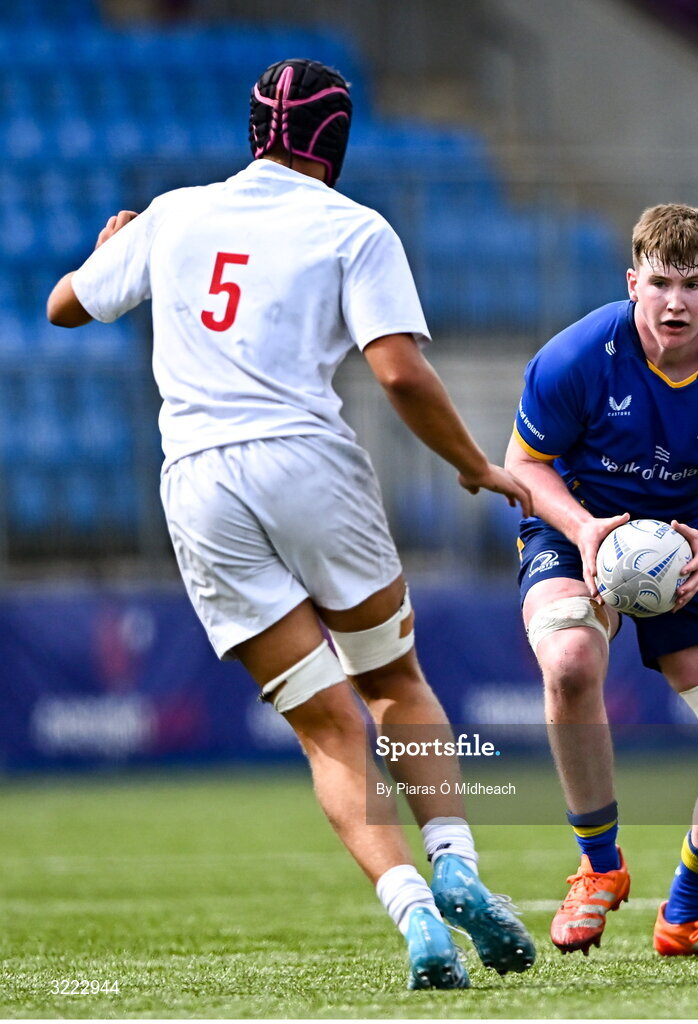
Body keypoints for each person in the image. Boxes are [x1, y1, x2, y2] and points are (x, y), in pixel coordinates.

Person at [47, 58, 536, 990]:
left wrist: (112, 247)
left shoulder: (176, 213)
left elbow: (62, 306)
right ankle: (460, 867)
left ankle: (416, 919)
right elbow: (397, 371)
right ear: (336, 141)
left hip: (196, 483)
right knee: (393, 680)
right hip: (303, 460)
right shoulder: (354, 228)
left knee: (327, 730)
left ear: (253, 132)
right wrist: (473, 464)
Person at [505, 203, 698, 957]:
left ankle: (689, 917)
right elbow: (522, 467)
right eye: (661, 282)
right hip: (572, 527)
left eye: (692, 283)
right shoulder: (576, 356)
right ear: (633, 282)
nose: (675, 301)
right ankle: (599, 869)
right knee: (570, 661)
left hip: (684, 547)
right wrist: (583, 531)